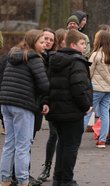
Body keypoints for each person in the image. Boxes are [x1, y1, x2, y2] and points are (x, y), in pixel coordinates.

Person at [0, 29, 49, 186]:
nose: (44, 45)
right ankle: (23, 181)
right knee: (23, 145)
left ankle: (5, 180)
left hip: (6, 103)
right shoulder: (34, 58)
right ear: (33, 42)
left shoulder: (13, 56)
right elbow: (44, 85)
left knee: (9, 144)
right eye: (41, 42)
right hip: (23, 105)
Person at [46, 29, 93, 186]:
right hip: (72, 112)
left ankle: (58, 178)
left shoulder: (55, 59)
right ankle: (66, 180)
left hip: (57, 110)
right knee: (71, 146)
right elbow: (78, 88)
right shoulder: (77, 62)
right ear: (73, 44)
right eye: (82, 43)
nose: (85, 46)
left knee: (63, 144)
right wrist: (86, 106)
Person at [84, 30, 110, 148]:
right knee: (105, 114)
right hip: (109, 88)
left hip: (96, 88)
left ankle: (76, 138)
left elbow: (89, 72)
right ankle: (102, 140)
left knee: (87, 112)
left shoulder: (95, 55)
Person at [37, 28, 58, 182]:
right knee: (52, 136)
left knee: (56, 134)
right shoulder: (36, 56)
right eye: (46, 38)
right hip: (39, 101)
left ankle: (53, 169)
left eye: (51, 39)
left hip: (54, 100)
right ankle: (47, 167)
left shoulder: (55, 57)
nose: (48, 42)